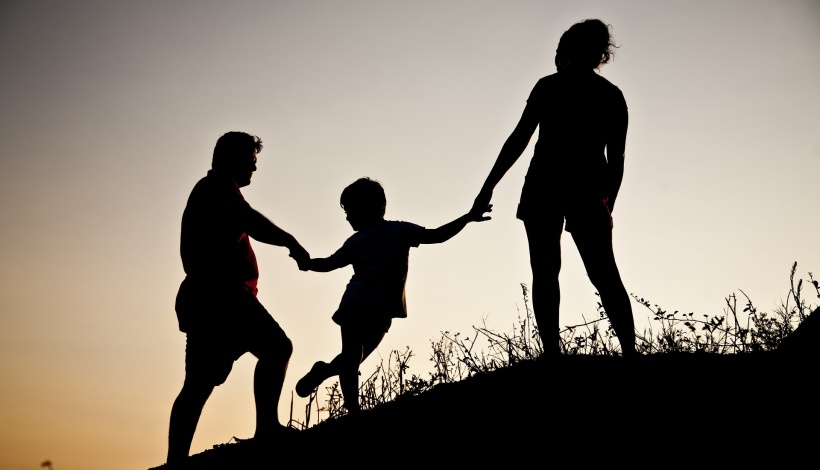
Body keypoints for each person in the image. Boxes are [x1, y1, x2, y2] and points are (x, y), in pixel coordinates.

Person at [471, 19, 637, 357]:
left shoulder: (550, 87)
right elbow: (616, 160)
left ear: (571, 51)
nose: (557, 57)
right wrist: (609, 204)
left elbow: (519, 138)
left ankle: (552, 354)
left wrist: (488, 186)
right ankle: (629, 353)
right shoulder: (610, 96)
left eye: (560, 50)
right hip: (584, 191)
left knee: (547, 273)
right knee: (603, 273)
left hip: (548, 188)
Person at [167, 131, 310, 464]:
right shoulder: (218, 187)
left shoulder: (213, 190)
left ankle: (176, 460)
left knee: (198, 385)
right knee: (277, 348)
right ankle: (267, 430)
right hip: (223, 296)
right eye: (252, 160)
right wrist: (291, 242)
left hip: (208, 298)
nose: (254, 169)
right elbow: (251, 221)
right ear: (233, 158)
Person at [294, 177, 490, 413]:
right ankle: (353, 409)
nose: (348, 217)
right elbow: (329, 263)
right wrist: (307, 263)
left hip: (378, 308)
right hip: (357, 305)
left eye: (351, 210)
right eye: (346, 212)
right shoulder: (358, 241)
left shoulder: (399, 230)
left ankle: (323, 371)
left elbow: (436, 235)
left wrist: (468, 217)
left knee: (353, 358)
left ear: (378, 205)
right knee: (352, 355)